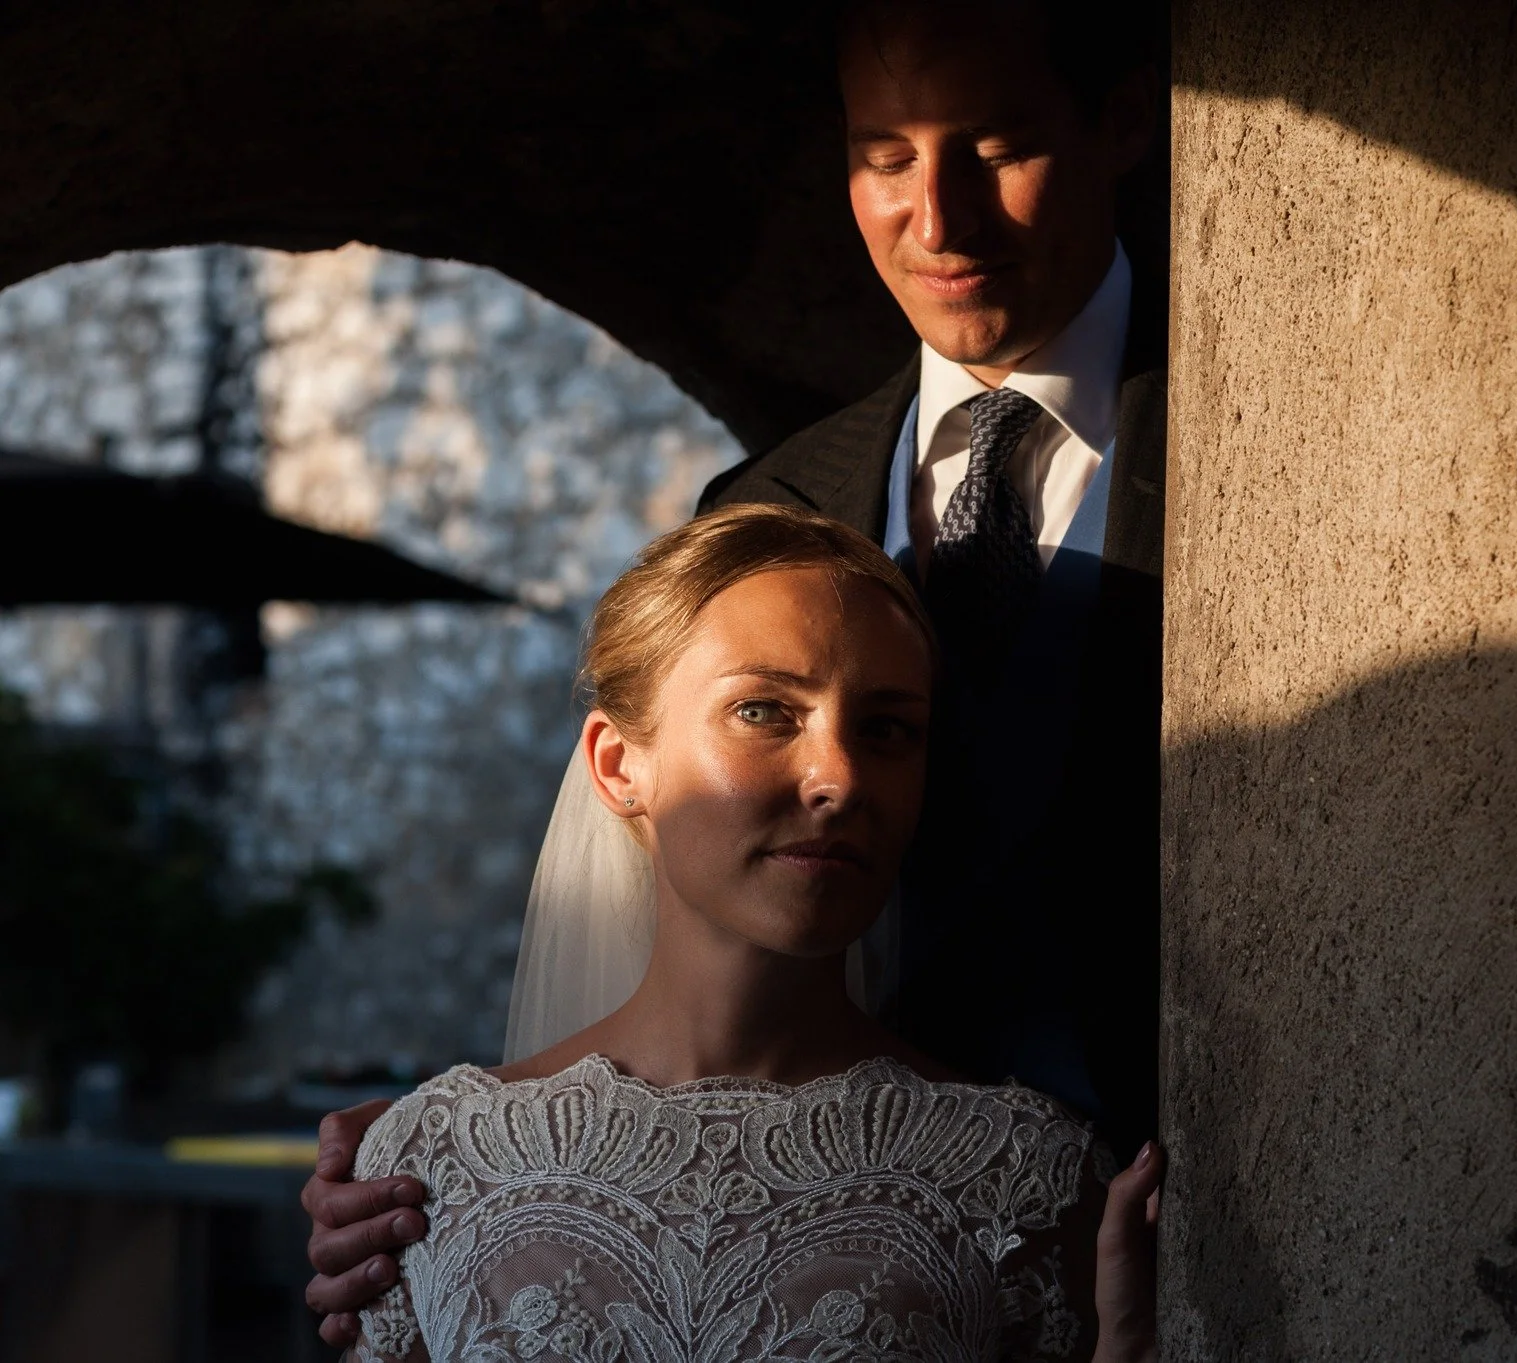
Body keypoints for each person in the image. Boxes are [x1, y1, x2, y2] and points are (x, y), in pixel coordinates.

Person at [305, 0, 1166, 1348]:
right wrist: (462, 1197)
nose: (936, 218)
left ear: (1123, 123)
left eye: (994, 148)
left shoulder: (1262, 441)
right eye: (885, 158)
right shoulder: (770, 492)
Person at [342, 504, 1161, 1362]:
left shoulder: (1027, 1176)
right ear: (620, 766)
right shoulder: (433, 1166)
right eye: (765, 711)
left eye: (887, 728)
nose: (840, 780)